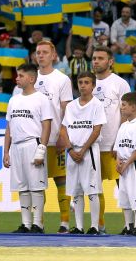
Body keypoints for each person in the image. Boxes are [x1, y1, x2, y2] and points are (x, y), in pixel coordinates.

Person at [21, 39, 74, 233]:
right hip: (33, 141)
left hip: (54, 139)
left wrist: (63, 135)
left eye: (45, 52)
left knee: (61, 181)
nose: (41, 55)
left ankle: (65, 223)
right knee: (35, 185)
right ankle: (38, 223)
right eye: (38, 52)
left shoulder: (62, 79)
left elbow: (66, 109)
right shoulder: (29, 79)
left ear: (53, 55)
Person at [3, 62, 54, 234]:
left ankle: (38, 224)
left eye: (21, 76)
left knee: (36, 186)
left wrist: (42, 149)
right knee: (22, 186)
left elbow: (46, 125)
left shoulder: (41, 99)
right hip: (16, 146)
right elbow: (9, 127)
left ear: (31, 79)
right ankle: (25, 224)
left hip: (33, 143)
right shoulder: (13, 100)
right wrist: (6, 151)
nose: (17, 78)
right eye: (17, 75)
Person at [58, 71, 106, 235]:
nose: (83, 85)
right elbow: (63, 129)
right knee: (76, 191)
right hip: (72, 152)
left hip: (89, 151)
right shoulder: (71, 106)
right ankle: (79, 226)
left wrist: (83, 150)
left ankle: (94, 226)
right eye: (80, 82)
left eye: (86, 82)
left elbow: (97, 130)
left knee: (92, 190)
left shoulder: (97, 105)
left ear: (93, 85)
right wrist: (70, 149)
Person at [90, 46, 132, 232]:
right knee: (94, 187)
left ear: (110, 62)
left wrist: (119, 141)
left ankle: (129, 225)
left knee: (123, 185)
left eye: (100, 58)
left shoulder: (120, 84)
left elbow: (127, 114)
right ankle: (99, 226)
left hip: (114, 145)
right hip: (93, 145)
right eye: (94, 58)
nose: (96, 61)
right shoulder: (88, 83)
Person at [114, 91, 136, 236]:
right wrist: (118, 162)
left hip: (135, 166)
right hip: (124, 166)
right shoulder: (123, 126)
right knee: (125, 197)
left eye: (124, 105)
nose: (121, 107)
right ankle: (128, 226)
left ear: (133, 107)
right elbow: (117, 147)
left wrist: (126, 164)